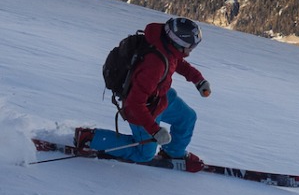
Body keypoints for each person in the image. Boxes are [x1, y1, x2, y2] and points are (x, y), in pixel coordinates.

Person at [76, 17, 212, 171]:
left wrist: (198, 80)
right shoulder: (154, 65)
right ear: (179, 43)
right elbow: (134, 104)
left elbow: (177, 62)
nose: (191, 50)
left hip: (160, 97)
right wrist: (155, 130)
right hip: (142, 110)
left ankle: (173, 153)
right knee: (144, 154)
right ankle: (90, 139)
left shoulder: (165, 46)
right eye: (190, 46)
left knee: (187, 118)